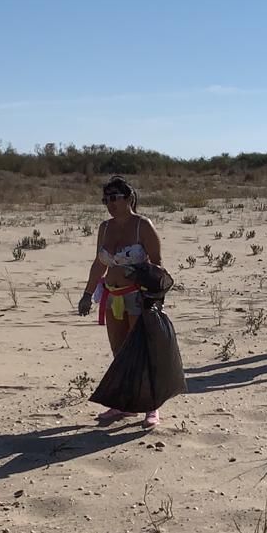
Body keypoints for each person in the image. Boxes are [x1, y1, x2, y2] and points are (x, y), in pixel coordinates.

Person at [77, 176, 167, 427]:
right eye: (106, 199)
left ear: (129, 198)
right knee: (120, 353)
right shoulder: (104, 228)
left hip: (137, 296)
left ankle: (151, 405)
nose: (110, 204)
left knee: (141, 351)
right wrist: (87, 294)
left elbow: (158, 264)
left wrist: (147, 289)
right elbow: (99, 264)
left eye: (115, 198)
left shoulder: (143, 226)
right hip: (112, 296)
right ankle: (123, 404)